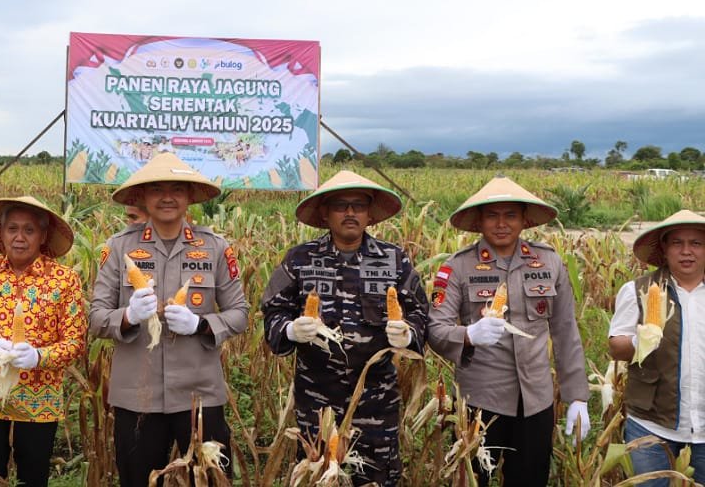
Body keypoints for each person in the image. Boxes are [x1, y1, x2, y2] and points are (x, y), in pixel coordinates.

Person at [89, 152, 248, 486]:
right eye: (157, 189)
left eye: (177, 188)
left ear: (189, 196)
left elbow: (239, 313)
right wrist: (129, 316)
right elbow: (96, 317)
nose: (167, 197)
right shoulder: (118, 248)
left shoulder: (215, 248)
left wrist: (201, 324)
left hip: (200, 395)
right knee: (139, 480)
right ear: (143, 198)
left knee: (211, 479)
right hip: (137, 395)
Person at [261, 170, 428, 486]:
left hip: (376, 403)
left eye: (358, 205)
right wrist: (289, 330)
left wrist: (409, 333)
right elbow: (272, 311)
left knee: (376, 479)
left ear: (369, 213)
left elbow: (421, 313)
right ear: (325, 213)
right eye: (340, 205)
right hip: (316, 402)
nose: (350, 213)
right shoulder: (299, 259)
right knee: (319, 477)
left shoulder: (394, 260)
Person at [427, 175, 589, 486]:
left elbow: (566, 330)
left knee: (530, 479)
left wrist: (577, 397)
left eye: (510, 215)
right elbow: (435, 328)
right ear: (479, 220)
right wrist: (469, 335)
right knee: (473, 480)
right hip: (480, 402)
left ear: (525, 219)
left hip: (536, 401)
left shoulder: (549, 262)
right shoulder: (457, 267)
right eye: (492, 215)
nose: (502, 224)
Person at [0, 196, 86, 487]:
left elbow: (75, 340)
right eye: (12, 228)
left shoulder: (64, 280)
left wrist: (40, 357)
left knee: (33, 478)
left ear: (43, 236)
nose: (20, 237)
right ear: (1, 233)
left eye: (29, 230)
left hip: (39, 403)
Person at [608, 209, 705, 485]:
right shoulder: (637, 290)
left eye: (696, 243)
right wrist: (641, 341)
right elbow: (616, 347)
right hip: (650, 426)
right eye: (677, 243)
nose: (687, 251)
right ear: (664, 249)